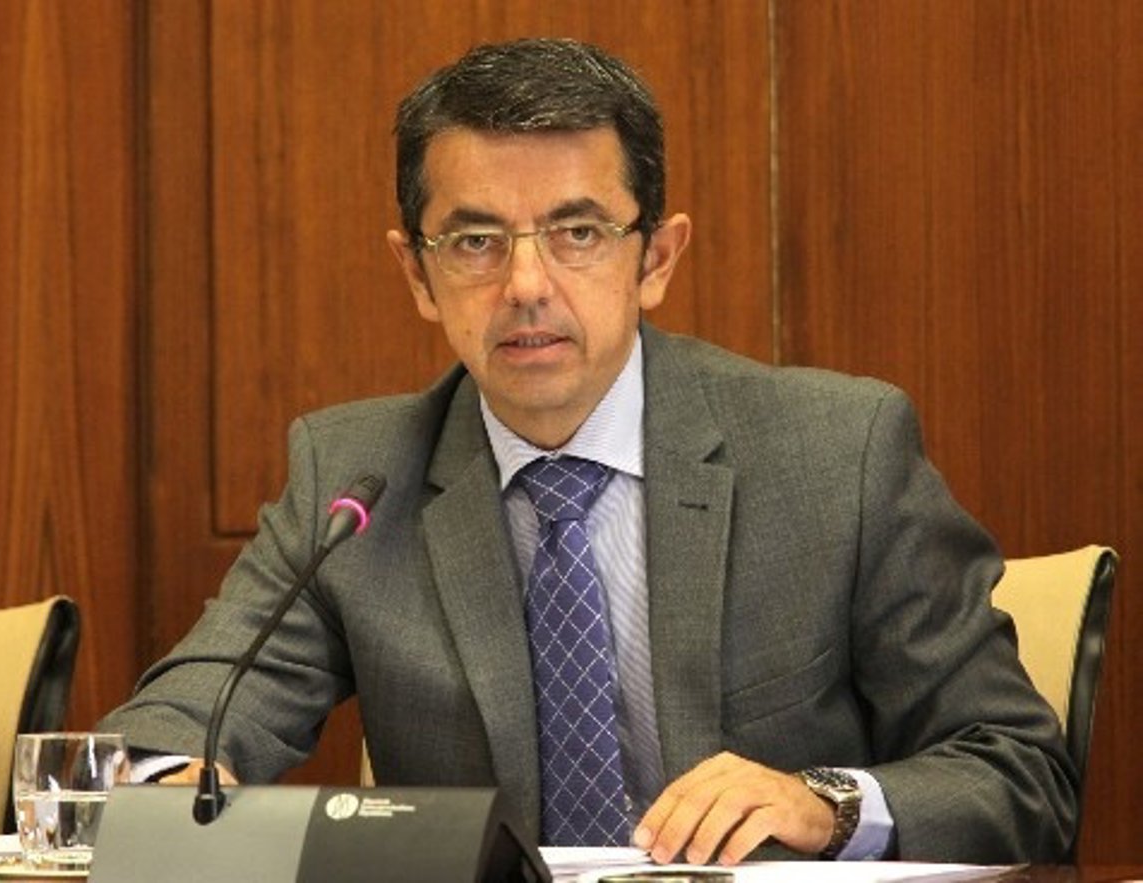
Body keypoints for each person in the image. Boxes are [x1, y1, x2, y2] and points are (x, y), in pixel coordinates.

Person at [99, 37, 1076, 864]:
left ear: (656, 257)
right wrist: (166, 784)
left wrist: (827, 804)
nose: (526, 284)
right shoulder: (356, 479)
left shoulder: (836, 452)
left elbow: (1021, 772)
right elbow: (174, 723)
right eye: (475, 241)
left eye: (577, 231)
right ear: (417, 275)